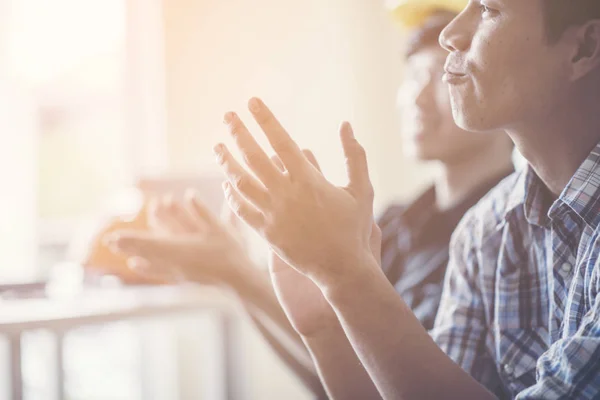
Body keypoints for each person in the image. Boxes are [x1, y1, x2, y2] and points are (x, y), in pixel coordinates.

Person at [185, 0, 600, 398]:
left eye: (489, 9)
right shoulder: (483, 232)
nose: (451, 33)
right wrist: (323, 326)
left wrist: (345, 276)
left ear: (583, 48)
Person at [106, 2, 515, 398]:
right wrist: (237, 276)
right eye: (412, 78)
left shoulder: (501, 234)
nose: (418, 97)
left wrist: (241, 275)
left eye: (440, 78)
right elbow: (339, 373)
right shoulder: (393, 223)